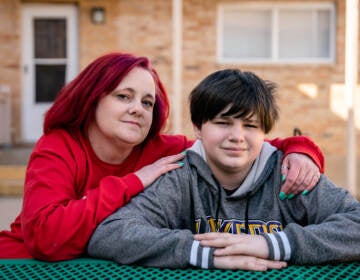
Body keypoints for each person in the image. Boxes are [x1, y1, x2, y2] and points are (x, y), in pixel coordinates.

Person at [0, 53, 324, 261]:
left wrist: (301, 150)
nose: (136, 109)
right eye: (123, 96)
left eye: (147, 102)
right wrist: (134, 181)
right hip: (26, 263)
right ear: (92, 99)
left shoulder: (161, 149)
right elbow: (47, 237)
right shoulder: (58, 146)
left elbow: (233, 140)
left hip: (107, 261)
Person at [87, 68, 360, 271]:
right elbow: (111, 233)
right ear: (197, 128)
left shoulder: (290, 176)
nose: (237, 136)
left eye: (250, 126)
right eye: (223, 123)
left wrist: (272, 244)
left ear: (265, 132)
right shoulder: (182, 176)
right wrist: (201, 252)